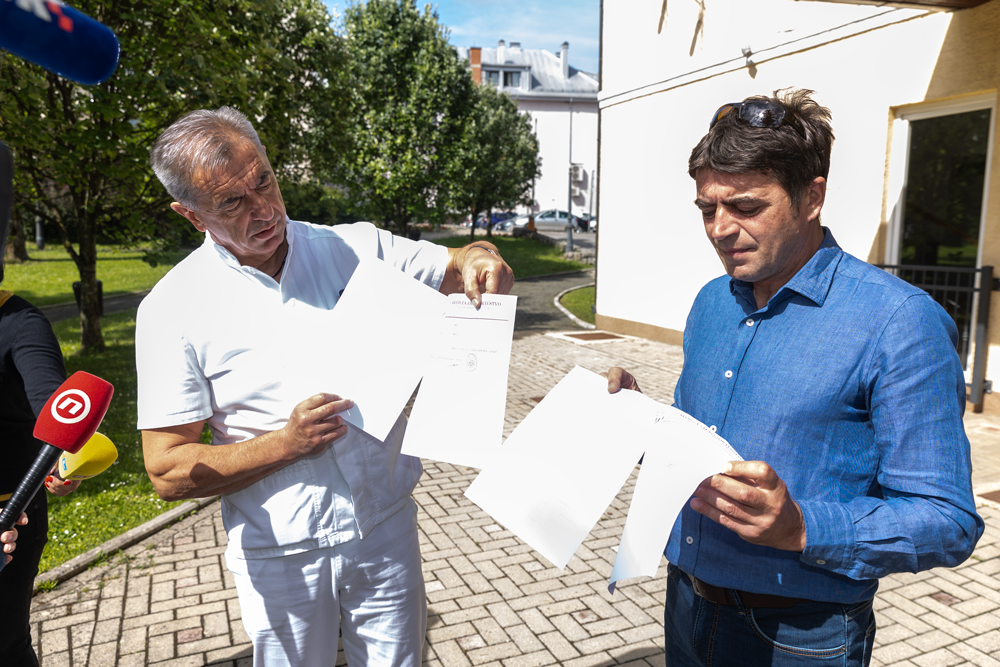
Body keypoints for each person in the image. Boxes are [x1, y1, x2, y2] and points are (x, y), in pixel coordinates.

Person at [605, 89, 983, 666]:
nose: (719, 229)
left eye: (746, 207)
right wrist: (643, 424)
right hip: (684, 603)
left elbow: (947, 519)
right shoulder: (712, 302)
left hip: (801, 637)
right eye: (707, 209)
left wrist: (803, 526)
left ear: (812, 197)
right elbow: (697, 443)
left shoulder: (900, 321)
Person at [136, 106, 514, 667]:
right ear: (191, 215)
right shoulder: (171, 308)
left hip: (384, 528)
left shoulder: (352, 248)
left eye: (264, 181)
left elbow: (458, 267)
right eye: (232, 203)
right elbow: (167, 470)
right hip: (281, 554)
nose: (264, 210)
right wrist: (285, 445)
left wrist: (484, 258)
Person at [0, 238, 79, 667]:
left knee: (6, 645)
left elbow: (56, 410)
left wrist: (64, 464)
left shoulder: (20, 323)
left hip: (10, 516)